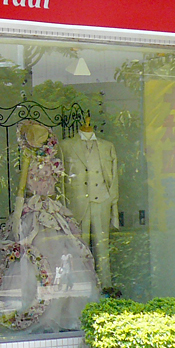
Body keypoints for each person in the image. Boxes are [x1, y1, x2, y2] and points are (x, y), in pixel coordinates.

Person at [0, 120, 100, 333]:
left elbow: (59, 186)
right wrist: (18, 213)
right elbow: (22, 189)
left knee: (65, 254)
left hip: (50, 210)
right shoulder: (28, 161)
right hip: (34, 212)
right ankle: (39, 311)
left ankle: (66, 312)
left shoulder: (52, 163)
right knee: (35, 256)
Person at [59, 116, 119, 288]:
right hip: (77, 202)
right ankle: (82, 287)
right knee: (79, 247)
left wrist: (114, 208)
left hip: (102, 200)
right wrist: (63, 209)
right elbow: (61, 181)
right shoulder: (66, 146)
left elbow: (114, 179)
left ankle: (106, 286)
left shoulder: (107, 146)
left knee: (103, 247)